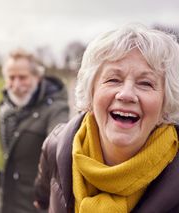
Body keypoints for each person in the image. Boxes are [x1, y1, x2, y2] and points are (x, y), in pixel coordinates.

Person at [34, 23, 179, 213]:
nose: (126, 94)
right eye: (113, 79)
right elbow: (40, 203)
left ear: (165, 102)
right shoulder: (55, 146)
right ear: (91, 92)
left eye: (145, 83)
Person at [0, 49, 69, 213]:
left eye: (22, 77)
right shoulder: (4, 108)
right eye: (11, 78)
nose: (16, 85)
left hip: (35, 206)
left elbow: (60, 142)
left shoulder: (56, 109)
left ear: (37, 77)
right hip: (6, 201)